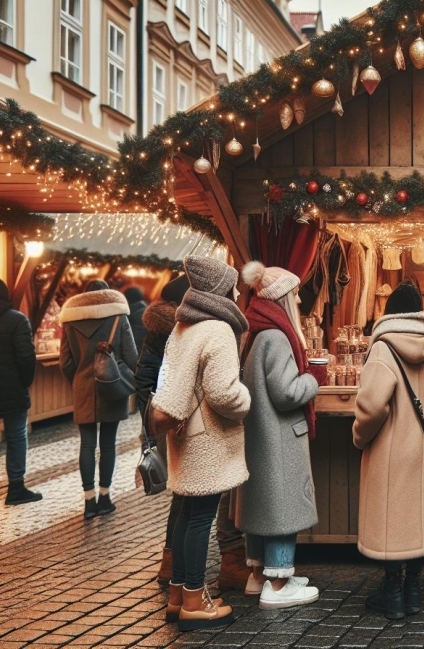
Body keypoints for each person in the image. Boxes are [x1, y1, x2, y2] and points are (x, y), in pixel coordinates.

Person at [150, 256, 251, 632]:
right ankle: (194, 599)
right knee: (200, 519)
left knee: (183, 513)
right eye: (233, 284)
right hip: (208, 437)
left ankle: (179, 595)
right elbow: (224, 394)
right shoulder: (218, 329)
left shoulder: (184, 326)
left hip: (183, 434)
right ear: (222, 289)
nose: (238, 291)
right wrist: (246, 399)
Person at [355, 283, 424, 620]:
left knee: (391, 521)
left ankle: (393, 592)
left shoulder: (384, 349)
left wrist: (360, 436)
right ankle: (413, 589)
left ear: (389, 313)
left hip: (389, 447)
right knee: (414, 520)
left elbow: (372, 406)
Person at [236, 262, 321, 610]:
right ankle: (278, 582)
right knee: (283, 508)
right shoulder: (278, 336)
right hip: (279, 439)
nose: (299, 302)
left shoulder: (257, 332)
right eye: (296, 295)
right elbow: (286, 392)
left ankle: (258, 575)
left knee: (263, 506)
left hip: (260, 437)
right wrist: (315, 377)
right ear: (283, 297)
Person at [60, 279, 136, 519]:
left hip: (83, 388)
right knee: (108, 444)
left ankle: (88, 501)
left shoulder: (70, 321)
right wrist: (131, 379)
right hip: (111, 385)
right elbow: (132, 356)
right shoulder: (118, 317)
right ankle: (105, 496)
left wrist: (79, 381)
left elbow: (65, 362)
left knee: (87, 444)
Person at [135, 274, 189, 585]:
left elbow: (143, 383)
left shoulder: (156, 331)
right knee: (184, 496)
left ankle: (171, 562)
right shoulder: (174, 332)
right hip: (175, 422)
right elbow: (150, 384)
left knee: (182, 495)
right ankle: (172, 565)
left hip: (164, 422)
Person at [0, 276, 41, 505]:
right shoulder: (17, 320)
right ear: (6, 296)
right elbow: (26, 357)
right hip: (13, 387)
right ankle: (16, 488)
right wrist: (25, 382)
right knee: (16, 437)